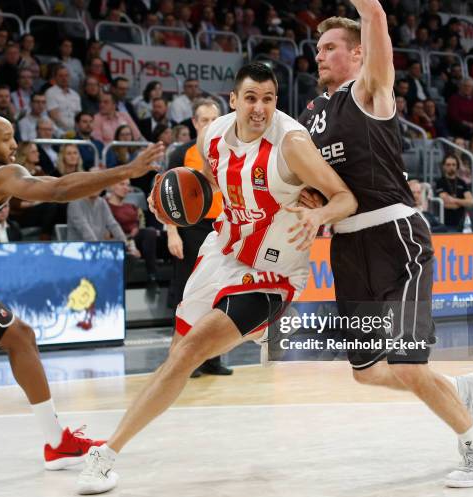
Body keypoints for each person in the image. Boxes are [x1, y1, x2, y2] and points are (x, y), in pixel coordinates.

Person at [75, 62, 357, 494]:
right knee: (177, 357)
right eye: (251, 98)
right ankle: (264, 337)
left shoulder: (293, 144)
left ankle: (105, 455)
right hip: (223, 254)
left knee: (189, 352)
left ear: (276, 102)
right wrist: (166, 204)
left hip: (273, 273)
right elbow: (203, 187)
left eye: (268, 98)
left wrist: (318, 213)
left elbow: (345, 197)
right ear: (234, 100)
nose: (259, 108)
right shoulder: (213, 136)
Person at [296, 6, 473, 487]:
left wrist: (366, 9)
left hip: (395, 238)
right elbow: (325, 183)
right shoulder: (312, 115)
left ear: (358, 54)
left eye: (330, 47)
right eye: (318, 48)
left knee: (407, 358)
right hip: (347, 246)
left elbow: (375, 13)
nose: (320, 54)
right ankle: (454, 389)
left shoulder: (369, 91)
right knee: (367, 371)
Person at [0, 114, 163, 471]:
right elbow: (58, 189)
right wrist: (126, 171)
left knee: (20, 337)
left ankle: (57, 442)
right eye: (7, 138)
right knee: (20, 337)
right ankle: (57, 443)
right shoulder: (0, 175)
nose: (14, 145)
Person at [166, 97, 233, 377]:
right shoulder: (181, 153)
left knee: (218, 293)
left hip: (222, 228)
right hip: (191, 228)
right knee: (188, 293)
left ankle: (212, 359)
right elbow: (167, 197)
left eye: (213, 119)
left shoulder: (228, 150)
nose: (209, 124)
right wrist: (172, 233)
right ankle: (183, 360)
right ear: (194, 122)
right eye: (203, 119)